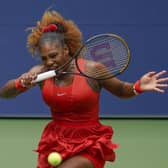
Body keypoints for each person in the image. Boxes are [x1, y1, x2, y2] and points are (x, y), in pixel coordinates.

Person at [0, 10, 168, 168]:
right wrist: (20, 83)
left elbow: (122, 90)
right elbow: (5, 93)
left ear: (65, 50)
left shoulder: (92, 69)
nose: (49, 62)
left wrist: (139, 86)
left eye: (53, 55)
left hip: (89, 142)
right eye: (44, 58)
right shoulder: (39, 73)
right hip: (55, 141)